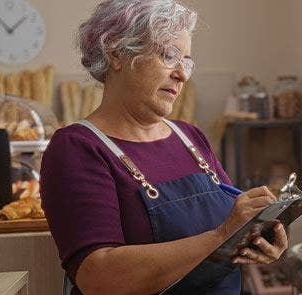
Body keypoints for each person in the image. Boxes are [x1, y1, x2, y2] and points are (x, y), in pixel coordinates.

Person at [40, 1, 288, 294]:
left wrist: (257, 236)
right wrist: (222, 235)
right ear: (116, 52)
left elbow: (232, 230)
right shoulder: (77, 149)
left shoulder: (191, 137)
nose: (182, 74)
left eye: (187, 61)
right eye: (169, 56)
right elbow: (98, 277)